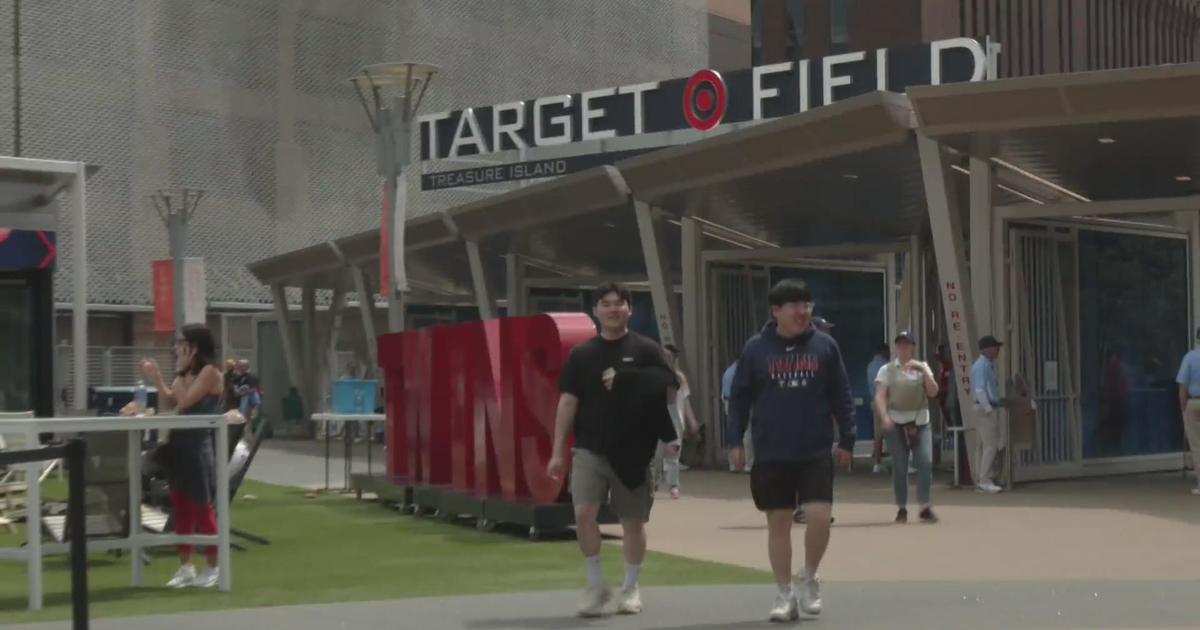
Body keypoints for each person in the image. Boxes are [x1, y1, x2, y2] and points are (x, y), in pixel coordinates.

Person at [546, 283, 680, 617]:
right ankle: (596, 585)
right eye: (605, 304)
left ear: (630, 309)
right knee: (583, 515)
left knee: (632, 522)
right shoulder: (581, 355)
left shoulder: (646, 349)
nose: (612, 309)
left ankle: (631, 588)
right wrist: (557, 451)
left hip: (634, 451)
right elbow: (567, 401)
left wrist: (628, 378)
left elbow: (669, 386)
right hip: (590, 448)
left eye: (619, 304)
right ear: (596, 311)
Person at [726, 280, 855, 622]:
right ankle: (784, 594)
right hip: (771, 449)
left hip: (813, 448)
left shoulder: (825, 346)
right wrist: (734, 440)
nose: (802, 312)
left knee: (818, 515)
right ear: (776, 311)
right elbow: (739, 398)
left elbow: (841, 394)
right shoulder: (755, 349)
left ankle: (809, 576)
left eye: (807, 305)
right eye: (795, 306)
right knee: (778, 522)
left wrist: (848, 439)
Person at [141, 324, 224, 588]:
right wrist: (158, 380)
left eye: (182, 343)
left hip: (198, 446)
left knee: (202, 507)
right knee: (182, 508)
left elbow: (187, 402)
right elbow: (172, 402)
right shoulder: (185, 374)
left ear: (194, 346)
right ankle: (185, 566)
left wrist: (179, 373)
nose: (177, 347)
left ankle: (213, 567)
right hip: (178, 446)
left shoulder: (210, 372)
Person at [874, 332, 940, 523]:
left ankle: (924, 506)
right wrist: (884, 417)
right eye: (900, 345)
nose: (903, 348)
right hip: (896, 421)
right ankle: (901, 507)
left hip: (920, 421)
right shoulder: (886, 370)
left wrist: (924, 371)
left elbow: (933, 392)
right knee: (900, 465)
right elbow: (879, 395)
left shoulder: (922, 367)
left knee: (925, 462)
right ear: (896, 348)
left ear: (912, 347)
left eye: (907, 344)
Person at [659, 344, 701, 499]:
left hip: (675, 419)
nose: (667, 359)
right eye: (665, 356)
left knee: (673, 453)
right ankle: (654, 482)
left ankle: (673, 485)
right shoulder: (655, 374)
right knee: (655, 454)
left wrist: (692, 421)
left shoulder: (679, 377)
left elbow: (685, 400)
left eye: (670, 357)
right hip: (656, 418)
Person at [971, 336, 1006, 494]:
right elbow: (980, 390)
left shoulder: (986, 365)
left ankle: (980, 479)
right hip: (985, 408)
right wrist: (989, 409)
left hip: (982, 407)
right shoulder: (982, 365)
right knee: (990, 445)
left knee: (982, 446)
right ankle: (985, 480)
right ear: (986, 349)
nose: (998, 350)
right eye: (995, 347)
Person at [1175, 328, 1200, 496]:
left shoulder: (1190, 357)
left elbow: (1183, 386)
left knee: (1197, 446)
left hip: (1194, 401)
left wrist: (1183, 408)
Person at [866, 343, 891, 474]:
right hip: (886, 401)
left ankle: (877, 463)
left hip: (874, 401)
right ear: (884, 352)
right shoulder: (885, 366)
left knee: (878, 434)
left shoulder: (870, 365)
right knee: (893, 430)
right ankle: (895, 460)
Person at [723, 360, 752, 472]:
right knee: (747, 433)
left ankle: (733, 464)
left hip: (728, 401)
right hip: (739, 402)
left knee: (733, 433)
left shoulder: (728, 372)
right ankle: (747, 463)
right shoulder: (739, 372)